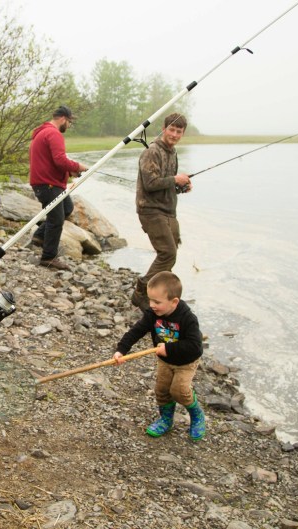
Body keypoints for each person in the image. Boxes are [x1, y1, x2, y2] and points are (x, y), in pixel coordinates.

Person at [114, 271, 205, 441]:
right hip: (165, 360)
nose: (152, 305)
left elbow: (195, 346)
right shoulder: (153, 314)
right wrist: (121, 350)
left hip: (186, 362)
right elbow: (137, 330)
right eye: (150, 300)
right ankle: (166, 419)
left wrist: (169, 349)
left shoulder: (188, 319)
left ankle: (197, 415)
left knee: (179, 391)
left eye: (157, 302)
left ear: (174, 301)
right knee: (162, 390)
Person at [131, 112, 192, 311]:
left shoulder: (173, 153)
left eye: (178, 131)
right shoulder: (152, 151)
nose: (174, 134)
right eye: (171, 130)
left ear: (182, 134)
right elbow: (150, 184)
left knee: (172, 249)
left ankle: (158, 295)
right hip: (149, 209)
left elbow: (167, 184)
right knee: (167, 253)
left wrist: (182, 186)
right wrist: (176, 180)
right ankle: (142, 291)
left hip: (168, 210)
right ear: (164, 129)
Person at [29, 105, 89, 271]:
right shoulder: (53, 133)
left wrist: (70, 171)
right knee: (56, 219)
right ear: (63, 118)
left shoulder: (43, 132)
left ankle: (40, 236)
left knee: (67, 208)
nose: (68, 126)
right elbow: (60, 160)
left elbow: (51, 162)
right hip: (48, 184)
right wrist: (78, 166)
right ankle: (48, 257)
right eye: (69, 122)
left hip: (48, 183)